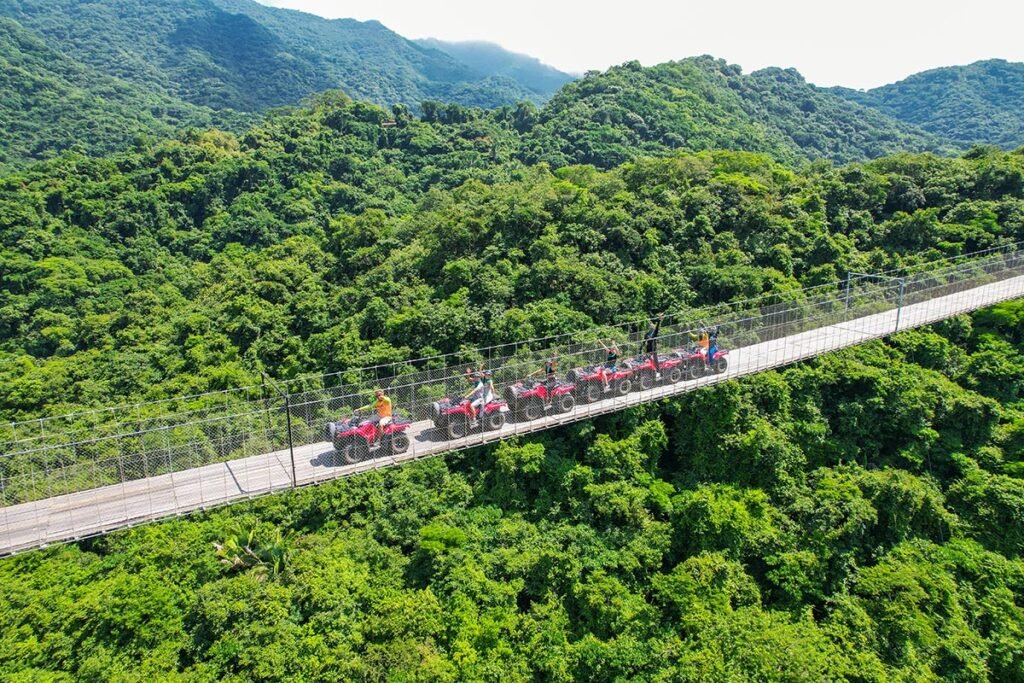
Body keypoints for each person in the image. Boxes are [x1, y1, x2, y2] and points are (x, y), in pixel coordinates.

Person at [642, 313, 665, 380]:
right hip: (648, 349)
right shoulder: (646, 335)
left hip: (654, 349)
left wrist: (659, 320)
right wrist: (641, 349)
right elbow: (644, 342)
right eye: (650, 328)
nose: (651, 329)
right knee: (647, 360)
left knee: (655, 360)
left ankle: (658, 373)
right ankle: (651, 372)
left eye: (652, 328)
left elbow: (657, 328)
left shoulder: (654, 333)